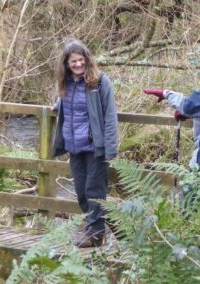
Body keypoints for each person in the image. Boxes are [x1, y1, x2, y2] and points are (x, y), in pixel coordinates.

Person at [52, 38, 118, 247]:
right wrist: (56, 106)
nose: (78, 64)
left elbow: (110, 115)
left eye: (81, 60)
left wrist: (110, 147)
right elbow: (65, 103)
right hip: (74, 147)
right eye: (74, 62)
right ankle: (95, 230)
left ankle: (96, 235)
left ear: (87, 60)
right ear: (67, 64)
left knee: (95, 192)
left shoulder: (99, 82)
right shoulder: (66, 83)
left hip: (94, 147)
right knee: (81, 192)